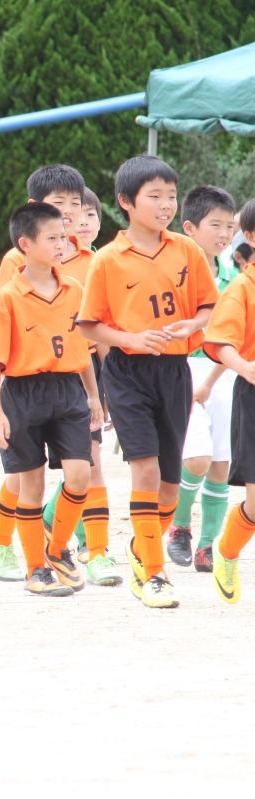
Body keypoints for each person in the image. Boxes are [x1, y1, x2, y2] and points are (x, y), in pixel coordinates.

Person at [77, 155, 218, 609]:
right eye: (154, 196)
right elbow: (88, 324)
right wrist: (131, 338)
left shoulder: (187, 251)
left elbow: (209, 307)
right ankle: (154, 574)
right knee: (146, 470)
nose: (166, 205)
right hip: (127, 372)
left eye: (171, 196)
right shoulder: (107, 259)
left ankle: (142, 546)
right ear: (126, 201)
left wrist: (190, 325)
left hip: (175, 371)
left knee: (170, 486)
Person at [0, 165, 116, 585]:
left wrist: (100, 393)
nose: (69, 214)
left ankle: (78, 549)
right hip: (24, 387)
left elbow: (88, 343)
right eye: (59, 205)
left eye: (75, 204)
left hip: (73, 384)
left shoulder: (85, 275)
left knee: (85, 469)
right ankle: (23, 558)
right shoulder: (13, 275)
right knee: (28, 482)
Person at [164, 187, 238, 571]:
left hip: (225, 374)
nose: (224, 234)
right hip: (182, 371)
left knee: (221, 463)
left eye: (229, 226)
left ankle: (208, 545)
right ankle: (179, 526)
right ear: (190, 228)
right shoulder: (172, 275)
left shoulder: (236, 278)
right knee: (196, 458)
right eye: (215, 225)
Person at [202, 229, 255, 603]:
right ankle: (227, 550)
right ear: (251, 236)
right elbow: (221, 343)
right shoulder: (242, 287)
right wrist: (245, 368)